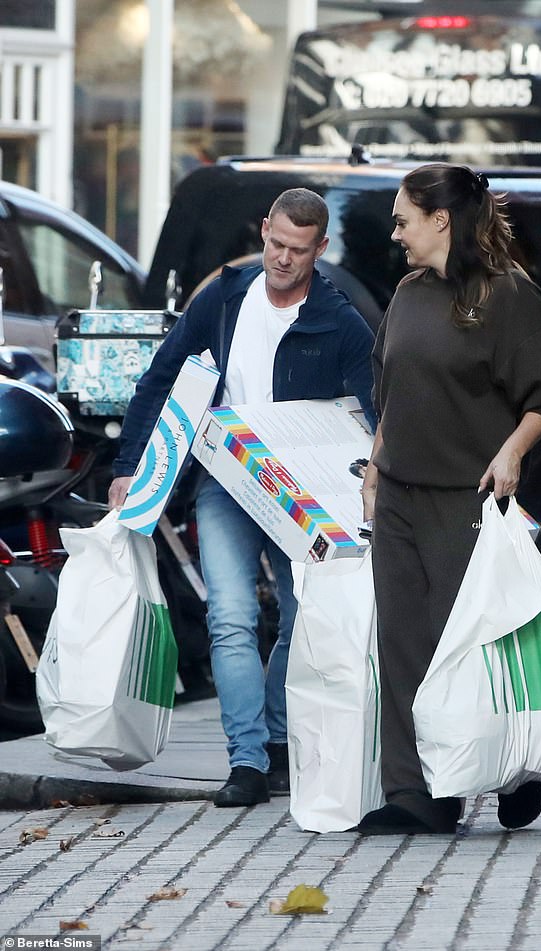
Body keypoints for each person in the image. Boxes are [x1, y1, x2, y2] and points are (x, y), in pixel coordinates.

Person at [108, 187, 376, 807]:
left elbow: (377, 409)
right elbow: (162, 378)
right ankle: (248, 761)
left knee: (299, 612)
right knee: (230, 614)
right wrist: (130, 466)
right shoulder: (225, 298)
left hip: (298, 493)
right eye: (277, 244)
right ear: (263, 232)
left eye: (299, 251)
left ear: (321, 249)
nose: (284, 259)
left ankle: (282, 741)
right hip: (226, 481)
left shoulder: (339, 321)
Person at [358, 163, 541, 836]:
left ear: (440, 220)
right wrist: (373, 467)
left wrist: (512, 451)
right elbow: (390, 392)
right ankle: (417, 793)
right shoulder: (407, 292)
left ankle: (513, 766)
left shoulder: (507, 296)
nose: (395, 233)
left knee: (478, 644)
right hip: (398, 490)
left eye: (403, 219)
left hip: (469, 497)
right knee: (402, 643)